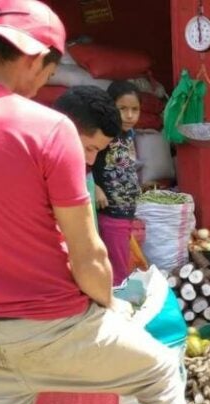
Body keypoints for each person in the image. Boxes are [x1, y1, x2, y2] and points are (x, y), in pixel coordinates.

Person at [0, 2, 190, 404]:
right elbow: (89, 257)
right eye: (48, 71)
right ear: (33, 57)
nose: (42, 83)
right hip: (53, 331)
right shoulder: (47, 127)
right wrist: (111, 305)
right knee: (158, 373)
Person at [25, 86, 123, 404]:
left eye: (100, 151)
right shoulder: (32, 171)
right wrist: (109, 303)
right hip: (46, 315)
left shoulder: (79, 167)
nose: (92, 160)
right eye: (90, 148)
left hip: (75, 304)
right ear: (62, 128)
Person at [92, 80, 143, 286]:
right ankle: (118, 305)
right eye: (122, 109)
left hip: (126, 211)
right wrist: (94, 186)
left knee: (120, 261)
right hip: (111, 212)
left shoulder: (128, 135)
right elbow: (85, 161)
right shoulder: (104, 135)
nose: (129, 115)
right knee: (117, 268)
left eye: (135, 109)